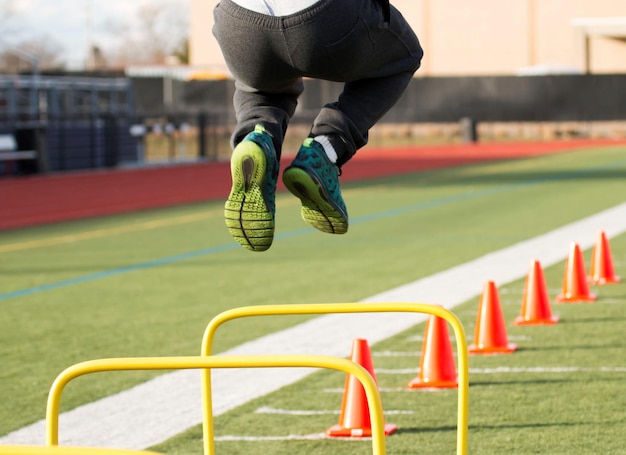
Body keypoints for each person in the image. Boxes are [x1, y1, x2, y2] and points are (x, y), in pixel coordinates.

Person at [213, 0, 423, 251]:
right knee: (405, 54)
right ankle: (327, 147)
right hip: (323, 18)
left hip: (238, 20)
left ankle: (256, 138)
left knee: (261, 87)